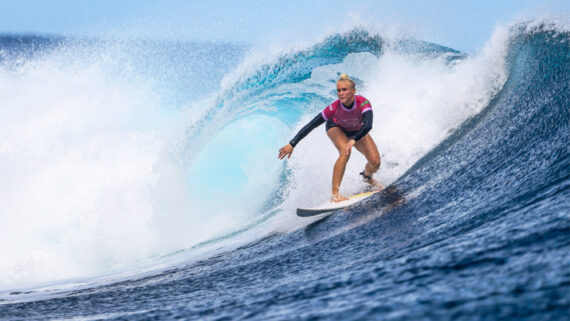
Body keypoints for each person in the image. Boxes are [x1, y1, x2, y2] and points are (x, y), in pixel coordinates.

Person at [278, 74, 383, 202]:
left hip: (357, 130)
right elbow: (311, 125)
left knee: (375, 161)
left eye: (344, 90)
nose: (341, 93)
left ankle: (366, 177)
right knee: (345, 151)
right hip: (336, 127)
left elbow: (368, 125)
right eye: (338, 90)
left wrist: (353, 139)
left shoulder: (363, 102)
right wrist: (292, 143)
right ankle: (335, 194)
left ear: (353, 91)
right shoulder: (333, 108)